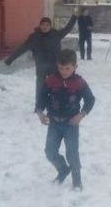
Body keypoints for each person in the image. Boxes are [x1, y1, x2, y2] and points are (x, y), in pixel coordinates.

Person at [37, 49, 95, 190]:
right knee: (50, 152)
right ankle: (63, 169)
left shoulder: (79, 82)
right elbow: (42, 97)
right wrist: (40, 112)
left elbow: (90, 99)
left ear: (75, 67)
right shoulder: (51, 80)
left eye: (67, 68)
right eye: (61, 68)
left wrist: (81, 115)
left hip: (71, 124)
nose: (64, 71)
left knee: (72, 152)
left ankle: (77, 179)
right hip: (54, 123)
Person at [5, 11, 78, 111]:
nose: (45, 27)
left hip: (54, 66)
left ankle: (56, 104)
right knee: (40, 87)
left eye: (47, 25)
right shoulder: (34, 37)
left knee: (56, 86)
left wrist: (74, 16)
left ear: (50, 26)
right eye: (43, 25)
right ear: (39, 26)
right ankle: (38, 106)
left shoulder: (56, 34)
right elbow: (22, 48)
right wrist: (10, 59)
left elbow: (67, 28)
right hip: (41, 67)